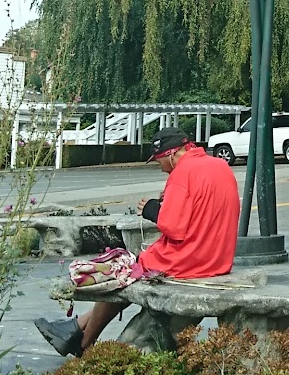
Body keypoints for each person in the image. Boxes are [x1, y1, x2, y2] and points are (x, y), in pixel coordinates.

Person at [33, 128, 240, 359]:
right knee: (131, 269)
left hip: (189, 262)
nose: (160, 167)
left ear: (170, 154)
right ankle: (75, 329)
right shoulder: (219, 166)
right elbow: (203, 210)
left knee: (123, 270)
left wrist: (151, 209)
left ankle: (83, 340)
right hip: (218, 258)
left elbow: (174, 228)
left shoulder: (182, 173)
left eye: (159, 160)